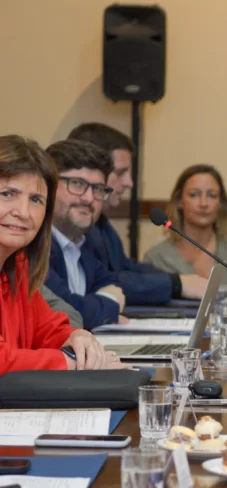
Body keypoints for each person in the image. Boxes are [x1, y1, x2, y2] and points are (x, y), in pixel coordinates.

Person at [0, 135, 118, 371]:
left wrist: (77, 337)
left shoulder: (18, 265)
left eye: (36, 199)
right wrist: (68, 362)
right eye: (7, 194)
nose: (23, 212)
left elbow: (46, 328)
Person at [68, 123, 207, 302]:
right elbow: (107, 281)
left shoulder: (101, 223)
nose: (129, 183)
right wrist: (176, 283)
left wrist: (180, 279)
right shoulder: (78, 224)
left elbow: (126, 268)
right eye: (121, 173)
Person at [44, 140, 127, 330]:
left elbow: (112, 284)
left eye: (98, 189)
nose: (88, 198)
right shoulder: (33, 245)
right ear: (49, 186)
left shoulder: (89, 241)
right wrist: (108, 305)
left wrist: (99, 304)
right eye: (77, 184)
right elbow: (65, 311)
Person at [144, 164, 227, 285]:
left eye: (212, 195)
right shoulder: (156, 258)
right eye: (194, 195)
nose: (203, 203)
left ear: (220, 203)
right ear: (179, 201)